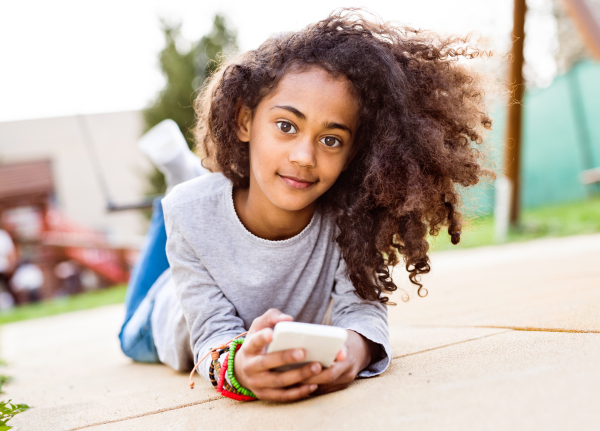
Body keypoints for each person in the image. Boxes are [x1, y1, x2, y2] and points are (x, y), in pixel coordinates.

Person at [120, 9, 493, 403]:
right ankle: (182, 180)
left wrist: (355, 349)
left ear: (353, 154)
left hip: (206, 231)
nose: (304, 156)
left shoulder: (350, 222)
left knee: (191, 207)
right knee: (139, 308)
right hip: (164, 315)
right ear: (245, 120)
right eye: (286, 126)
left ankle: (187, 180)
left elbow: (362, 313)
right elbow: (211, 333)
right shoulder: (193, 214)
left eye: (331, 140)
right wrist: (238, 368)